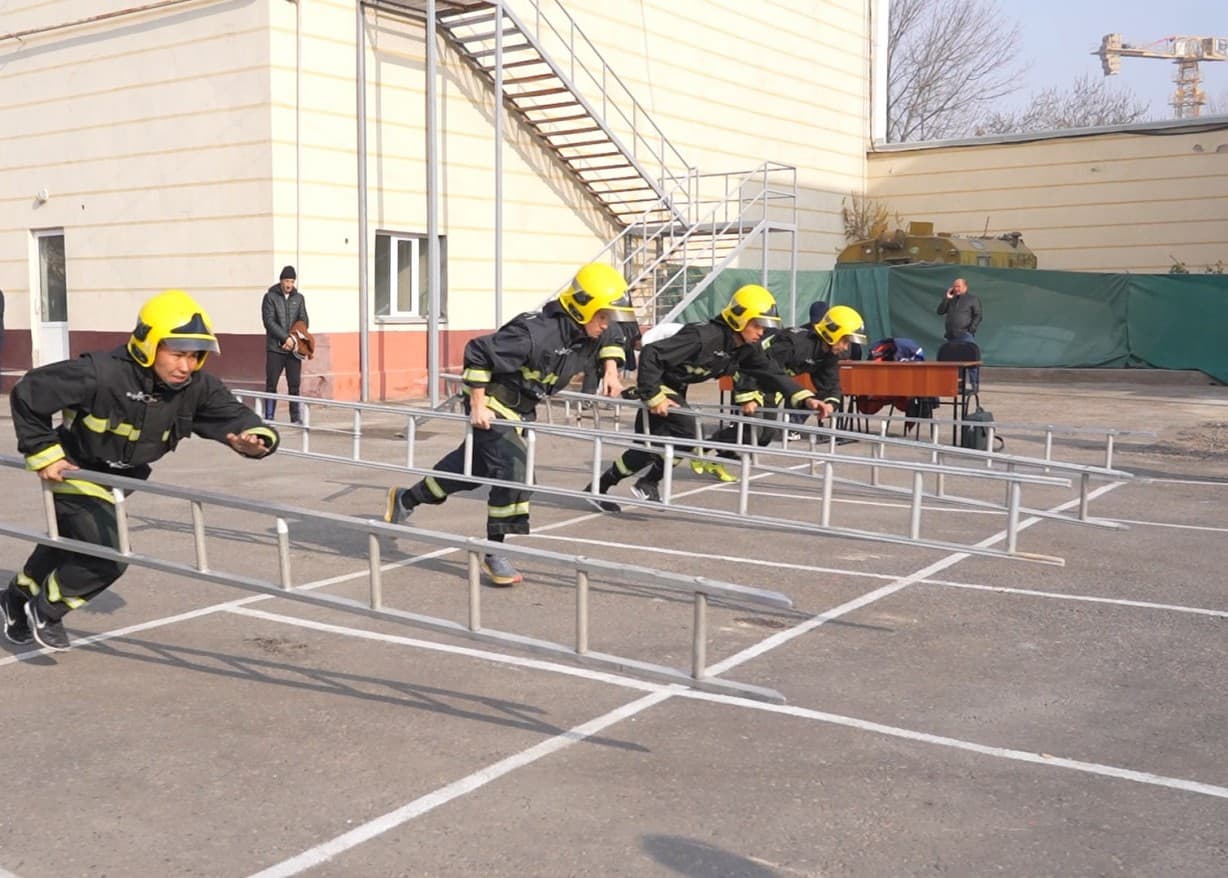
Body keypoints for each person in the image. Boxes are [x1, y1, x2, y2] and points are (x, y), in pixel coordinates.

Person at [1, 290, 280, 652]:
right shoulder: (100, 374)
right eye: (177, 354)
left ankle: (15, 598)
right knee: (108, 557)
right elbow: (28, 392)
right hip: (76, 471)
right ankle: (46, 610)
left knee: (71, 542)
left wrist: (255, 438)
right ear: (148, 344)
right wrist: (45, 453)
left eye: (195, 356)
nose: (186, 366)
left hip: (121, 479)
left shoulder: (196, 387)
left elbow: (237, 417)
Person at [383, 263, 632, 586]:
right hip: (493, 405)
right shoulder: (535, 334)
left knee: (468, 471)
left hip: (522, 412)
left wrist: (611, 370)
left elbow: (612, 337)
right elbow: (477, 353)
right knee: (517, 472)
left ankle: (406, 499)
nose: (606, 324)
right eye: (603, 316)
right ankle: (494, 551)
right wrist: (477, 405)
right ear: (583, 307)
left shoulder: (587, 331)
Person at [585, 284, 825, 505]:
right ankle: (644, 482)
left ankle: (603, 487)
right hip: (659, 383)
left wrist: (806, 398)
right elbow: (651, 354)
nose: (761, 333)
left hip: (677, 388)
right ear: (740, 318)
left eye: (764, 327)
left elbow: (773, 373)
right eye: (757, 325)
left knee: (651, 449)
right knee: (687, 430)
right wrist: (653, 394)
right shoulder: (703, 337)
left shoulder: (744, 348)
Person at [706, 305, 866, 463]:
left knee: (764, 437)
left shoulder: (828, 355)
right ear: (833, 333)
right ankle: (706, 448)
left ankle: (716, 454)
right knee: (752, 431)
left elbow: (831, 383)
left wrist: (830, 403)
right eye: (845, 341)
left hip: (773, 386)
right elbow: (752, 363)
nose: (846, 347)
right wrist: (747, 397)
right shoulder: (795, 344)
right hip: (750, 380)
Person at [262, 265, 310, 424]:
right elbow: (269, 322)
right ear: (281, 281)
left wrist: (293, 340)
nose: (289, 284)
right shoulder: (270, 297)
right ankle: (269, 417)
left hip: (293, 350)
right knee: (271, 384)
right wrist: (285, 339)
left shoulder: (299, 298)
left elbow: (304, 321)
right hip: (275, 349)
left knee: (294, 385)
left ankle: (295, 417)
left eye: (292, 281)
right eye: (286, 281)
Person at [937, 276, 982, 389]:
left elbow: (978, 315)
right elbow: (940, 311)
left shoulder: (972, 299)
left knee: (971, 359)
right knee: (953, 362)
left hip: (965, 335)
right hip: (951, 335)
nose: (956, 288)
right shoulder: (951, 299)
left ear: (965, 287)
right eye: (954, 286)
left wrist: (971, 329)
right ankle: (957, 385)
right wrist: (947, 298)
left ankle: (974, 384)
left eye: (958, 286)